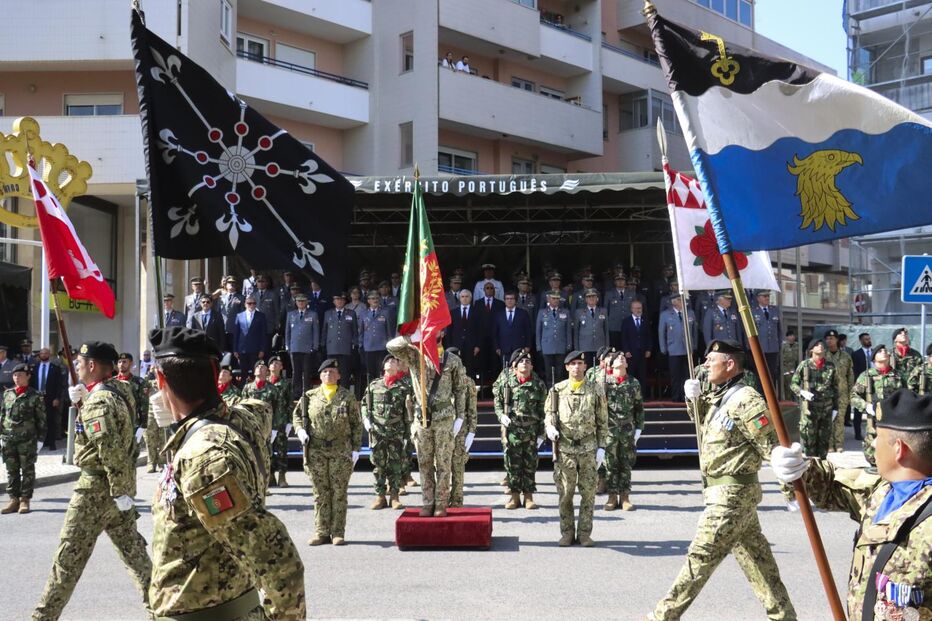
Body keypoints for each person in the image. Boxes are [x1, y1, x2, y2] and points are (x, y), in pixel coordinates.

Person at [145, 326, 306, 619]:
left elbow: (276, 558)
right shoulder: (241, 421)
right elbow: (257, 408)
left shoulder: (202, 457)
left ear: (160, 380)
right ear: (214, 375)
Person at [647, 339, 796, 621]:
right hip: (720, 490)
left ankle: (661, 617)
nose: (705, 365)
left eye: (710, 361)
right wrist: (693, 399)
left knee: (699, 558)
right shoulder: (719, 395)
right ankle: (784, 616)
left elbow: (772, 447)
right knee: (759, 563)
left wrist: (790, 491)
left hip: (732, 495)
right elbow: (701, 423)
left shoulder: (746, 400)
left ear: (729, 365)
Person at [770, 388, 932, 621]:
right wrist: (797, 467)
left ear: (899, 449)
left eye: (877, 436)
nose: (873, 444)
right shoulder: (884, 489)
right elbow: (834, 484)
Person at [33, 341, 151, 621]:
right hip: (116, 492)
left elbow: (107, 447)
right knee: (137, 559)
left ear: (93, 366)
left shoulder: (99, 401)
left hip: (94, 491)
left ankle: (42, 618)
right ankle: (164, 610)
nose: (76, 366)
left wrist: (119, 490)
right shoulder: (120, 391)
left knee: (67, 562)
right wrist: (84, 400)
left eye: (80, 362)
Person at [387, 335, 467, 517]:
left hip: (444, 418)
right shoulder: (416, 355)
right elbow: (391, 347)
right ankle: (428, 502)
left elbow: (460, 390)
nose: (432, 333)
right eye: (428, 330)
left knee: (443, 464)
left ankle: (441, 503)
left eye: (436, 330)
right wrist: (411, 335)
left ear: (443, 333)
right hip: (422, 418)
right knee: (424, 463)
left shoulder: (452, 360)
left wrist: (460, 417)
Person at [293, 358, 362, 545]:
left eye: (332, 372)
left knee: (339, 492)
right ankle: (321, 531)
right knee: (320, 492)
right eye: (325, 372)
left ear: (339, 376)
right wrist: (300, 431)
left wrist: (356, 449)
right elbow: (297, 416)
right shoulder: (309, 396)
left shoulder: (346, 397)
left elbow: (356, 424)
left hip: (341, 449)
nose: (328, 374)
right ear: (320, 375)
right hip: (316, 449)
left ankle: (338, 532)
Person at [545, 350, 607, 546]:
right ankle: (567, 533)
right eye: (573, 364)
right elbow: (548, 413)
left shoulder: (595, 389)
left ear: (586, 367)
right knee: (565, 493)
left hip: (588, 447)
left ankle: (585, 534)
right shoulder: (557, 390)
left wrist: (602, 447)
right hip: (565, 448)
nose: (577, 367)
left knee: (588, 493)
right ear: (567, 367)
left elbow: (602, 420)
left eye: (580, 363)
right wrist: (549, 427)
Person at [494, 349, 546, 510]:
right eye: (522, 361)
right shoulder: (507, 383)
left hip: (531, 431)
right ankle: (515, 497)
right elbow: (498, 402)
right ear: (514, 367)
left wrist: (542, 434)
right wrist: (501, 415)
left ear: (532, 367)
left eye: (528, 362)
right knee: (512, 464)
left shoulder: (538, 384)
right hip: (512, 431)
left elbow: (544, 410)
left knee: (530, 464)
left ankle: (529, 496)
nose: (525, 363)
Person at [362, 354, 412, 510]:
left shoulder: (404, 387)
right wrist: (366, 421)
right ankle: (380, 496)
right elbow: (365, 405)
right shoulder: (374, 386)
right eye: (388, 361)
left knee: (396, 465)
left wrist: (407, 434)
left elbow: (408, 412)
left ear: (398, 367)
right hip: (377, 431)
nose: (391, 362)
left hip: (396, 430)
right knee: (378, 465)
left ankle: (395, 496)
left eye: (394, 361)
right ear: (384, 367)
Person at [1, 364, 46, 514]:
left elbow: (41, 419)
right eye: (15, 375)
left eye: (20, 375)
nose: (17, 378)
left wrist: (40, 440)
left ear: (28, 376)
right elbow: (3, 416)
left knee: (27, 470)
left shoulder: (35, 396)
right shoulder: (8, 394)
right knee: (11, 470)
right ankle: (13, 499)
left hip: (27, 440)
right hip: (9, 439)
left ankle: (25, 500)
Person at [603, 352, 644, 511]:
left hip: (627, 428)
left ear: (626, 364)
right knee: (610, 464)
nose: (621, 358)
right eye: (617, 358)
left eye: (623, 358)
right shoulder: (605, 382)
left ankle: (625, 497)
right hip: (610, 428)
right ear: (611, 365)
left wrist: (639, 427)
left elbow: (639, 407)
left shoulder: (634, 383)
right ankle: (612, 496)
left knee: (625, 463)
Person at [851, 346, 904, 467]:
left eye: (885, 350)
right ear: (874, 358)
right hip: (874, 422)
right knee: (872, 455)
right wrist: (867, 406)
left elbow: (906, 395)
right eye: (880, 351)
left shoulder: (898, 376)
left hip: (894, 420)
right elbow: (853, 396)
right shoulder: (867, 376)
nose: (884, 352)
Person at [790, 339, 839, 459]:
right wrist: (802, 392)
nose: (820, 346)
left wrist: (835, 408)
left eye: (822, 345)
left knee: (824, 443)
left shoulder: (830, 366)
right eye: (817, 345)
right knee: (809, 444)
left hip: (826, 410)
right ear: (811, 349)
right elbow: (793, 384)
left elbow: (835, 388)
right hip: (810, 411)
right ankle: (811, 472)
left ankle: (822, 472)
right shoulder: (804, 365)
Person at [658, 294, 696, 402]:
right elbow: (662, 332)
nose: (684, 302)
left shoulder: (690, 313)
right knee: (675, 375)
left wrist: (694, 345)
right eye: (680, 300)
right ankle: (676, 396)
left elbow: (694, 332)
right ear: (674, 302)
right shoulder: (665, 314)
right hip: (673, 348)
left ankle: (687, 396)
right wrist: (663, 348)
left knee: (687, 374)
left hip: (687, 349)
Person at [451, 358, 478, 508]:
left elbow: (472, 409)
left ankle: (456, 501)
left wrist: (472, 432)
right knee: (441, 467)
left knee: (458, 467)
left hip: (461, 432)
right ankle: (441, 500)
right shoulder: (440, 377)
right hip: (442, 429)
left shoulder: (468, 382)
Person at [824, 329, 855, 453]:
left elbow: (850, 376)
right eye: (827, 339)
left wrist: (850, 393)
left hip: (842, 393)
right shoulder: (823, 355)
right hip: (827, 394)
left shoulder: (846, 356)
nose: (829, 341)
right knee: (828, 419)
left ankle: (839, 443)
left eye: (831, 338)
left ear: (837, 340)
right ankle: (829, 444)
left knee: (840, 419)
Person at [115, 353, 149, 462]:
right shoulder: (112, 382)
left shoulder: (139, 383)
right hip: (115, 423)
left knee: (131, 457)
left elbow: (144, 404)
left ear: (131, 363)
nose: (121, 364)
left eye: (124, 362)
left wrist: (143, 425)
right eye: (119, 362)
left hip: (133, 424)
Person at [322, 292, 359, 390]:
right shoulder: (328, 313)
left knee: (344, 373)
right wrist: (323, 344)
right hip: (332, 348)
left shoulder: (351, 313)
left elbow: (355, 331)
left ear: (345, 301)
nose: (339, 301)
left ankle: (344, 394)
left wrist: (355, 344)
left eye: (342, 299)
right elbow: (324, 331)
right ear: (334, 301)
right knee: (331, 371)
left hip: (345, 348)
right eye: (337, 299)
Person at [359, 291, 396, 388]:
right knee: (369, 372)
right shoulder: (364, 313)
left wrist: (390, 344)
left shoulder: (385, 312)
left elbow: (389, 330)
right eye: (372, 298)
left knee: (381, 371)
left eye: (376, 298)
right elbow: (361, 331)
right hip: (368, 347)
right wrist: (360, 344)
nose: (375, 300)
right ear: (368, 301)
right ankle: (371, 391)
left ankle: (382, 390)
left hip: (382, 347)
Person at [537, 291, 573, 387]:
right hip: (547, 346)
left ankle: (559, 390)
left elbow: (568, 330)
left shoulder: (565, 312)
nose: (556, 300)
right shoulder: (542, 312)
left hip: (560, 345)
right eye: (553, 298)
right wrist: (538, 346)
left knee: (560, 371)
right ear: (548, 299)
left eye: (557, 298)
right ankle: (550, 390)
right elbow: (538, 331)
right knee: (548, 371)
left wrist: (569, 344)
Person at [30, 348, 64, 450]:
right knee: (38, 420)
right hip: (37, 397)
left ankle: (51, 443)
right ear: (39, 355)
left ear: (49, 354)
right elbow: (31, 383)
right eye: (42, 353)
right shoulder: (35, 367)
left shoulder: (55, 368)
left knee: (50, 420)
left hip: (50, 398)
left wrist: (57, 398)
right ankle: (42, 441)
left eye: (46, 353)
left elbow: (59, 385)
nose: (44, 355)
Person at [268, 356, 292, 488]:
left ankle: (282, 476)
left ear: (281, 367)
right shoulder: (264, 383)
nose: (275, 365)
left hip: (281, 421)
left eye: (278, 363)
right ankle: (270, 475)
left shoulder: (285, 383)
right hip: (267, 422)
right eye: (272, 363)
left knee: (282, 450)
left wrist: (290, 421)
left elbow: (289, 403)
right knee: (268, 451)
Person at [750, 291, 782, 390]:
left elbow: (779, 329)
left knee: (772, 373)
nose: (767, 298)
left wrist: (779, 344)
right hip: (759, 348)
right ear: (758, 298)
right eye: (764, 296)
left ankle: (771, 398)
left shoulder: (774, 310)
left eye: (768, 296)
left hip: (772, 348)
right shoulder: (753, 311)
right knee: (759, 373)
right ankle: (761, 395)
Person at [621, 300, 652, 398]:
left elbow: (649, 336)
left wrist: (648, 349)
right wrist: (626, 350)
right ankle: (630, 396)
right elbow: (624, 337)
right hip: (631, 353)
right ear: (631, 309)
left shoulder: (645, 320)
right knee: (630, 375)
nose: (638, 310)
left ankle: (642, 396)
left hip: (642, 352)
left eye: (640, 308)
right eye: (636, 308)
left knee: (642, 375)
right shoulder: (626, 321)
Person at [493, 292, 533, 367]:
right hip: (504, 348)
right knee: (506, 371)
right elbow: (495, 332)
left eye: (511, 299)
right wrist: (497, 347)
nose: (509, 301)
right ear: (504, 300)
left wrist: (528, 346)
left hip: (519, 348)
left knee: (519, 369)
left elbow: (528, 330)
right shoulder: (499, 314)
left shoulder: (523, 313)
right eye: (507, 299)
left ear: (516, 301)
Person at [575, 288, 610, 369]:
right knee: (586, 369)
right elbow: (576, 332)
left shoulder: (603, 311)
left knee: (599, 369)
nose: (591, 298)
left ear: (597, 298)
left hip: (600, 346)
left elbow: (606, 330)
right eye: (589, 296)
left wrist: (607, 347)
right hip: (584, 346)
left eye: (593, 296)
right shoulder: (579, 312)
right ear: (585, 299)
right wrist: (577, 349)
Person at [219, 276, 245, 352]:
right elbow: (218, 313)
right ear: (225, 285)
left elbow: (243, 315)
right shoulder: (221, 298)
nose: (231, 284)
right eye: (229, 283)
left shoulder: (241, 298)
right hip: (223, 329)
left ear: (236, 285)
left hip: (235, 329)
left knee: (234, 352)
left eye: (234, 283)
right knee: (223, 351)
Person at [780, 329, 799, 400]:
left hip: (794, 370)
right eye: (790, 335)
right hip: (785, 370)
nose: (792, 337)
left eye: (793, 335)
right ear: (787, 337)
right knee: (787, 388)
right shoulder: (783, 345)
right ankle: (789, 402)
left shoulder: (797, 345)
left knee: (795, 388)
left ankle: (795, 402)